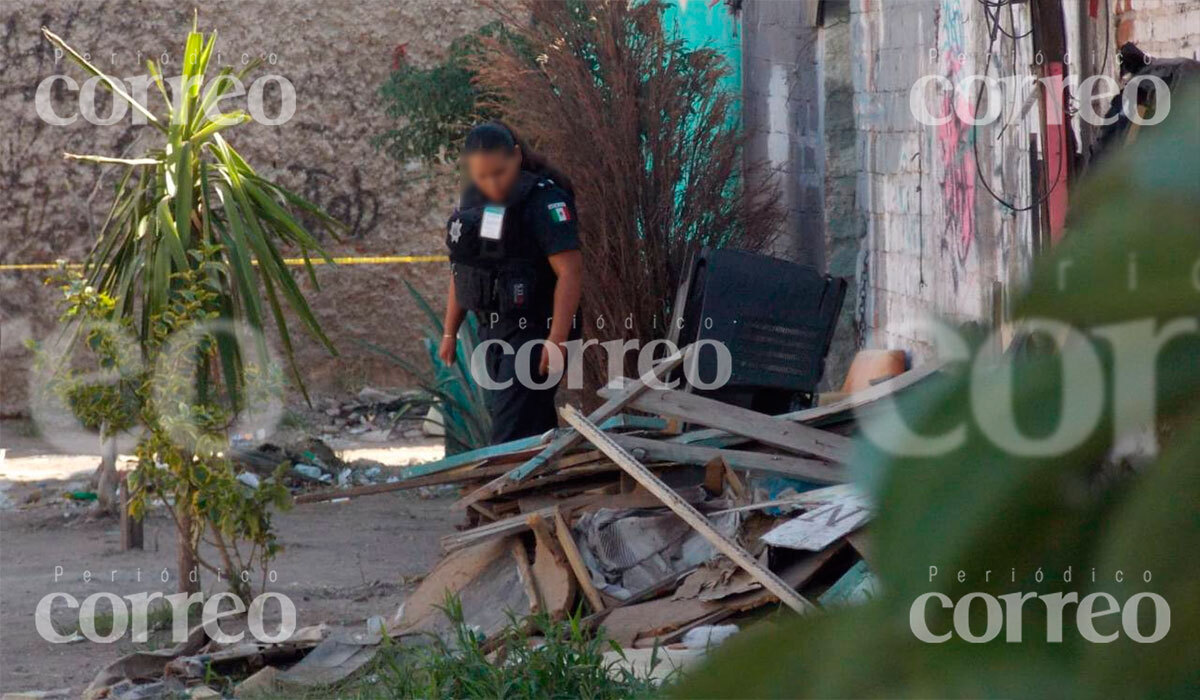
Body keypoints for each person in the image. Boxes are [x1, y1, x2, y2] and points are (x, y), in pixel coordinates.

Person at [437, 121, 584, 444]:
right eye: (482, 176)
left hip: (536, 329)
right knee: (531, 427)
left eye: (499, 172)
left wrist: (556, 338)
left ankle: (508, 490)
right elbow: (464, 271)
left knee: (511, 432)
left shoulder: (545, 201)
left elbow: (570, 272)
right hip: (493, 328)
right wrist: (450, 332)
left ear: (516, 156)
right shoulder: (475, 202)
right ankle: (538, 491)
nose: (492, 184)